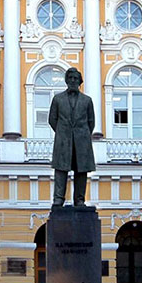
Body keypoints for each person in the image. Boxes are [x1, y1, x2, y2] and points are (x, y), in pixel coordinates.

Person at [47, 67, 96, 207]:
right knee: (60, 170)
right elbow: (52, 119)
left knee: (81, 171)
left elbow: (91, 122)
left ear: (80, 82)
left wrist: (83, 134)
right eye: (70, 78)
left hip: (82, 141)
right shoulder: (58, 99)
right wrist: (63, 133)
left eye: (75, 79)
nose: (73, 81)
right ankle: (58, 198)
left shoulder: (87, 101)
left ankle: (80, 200)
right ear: (66, 80)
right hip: (63, 141)